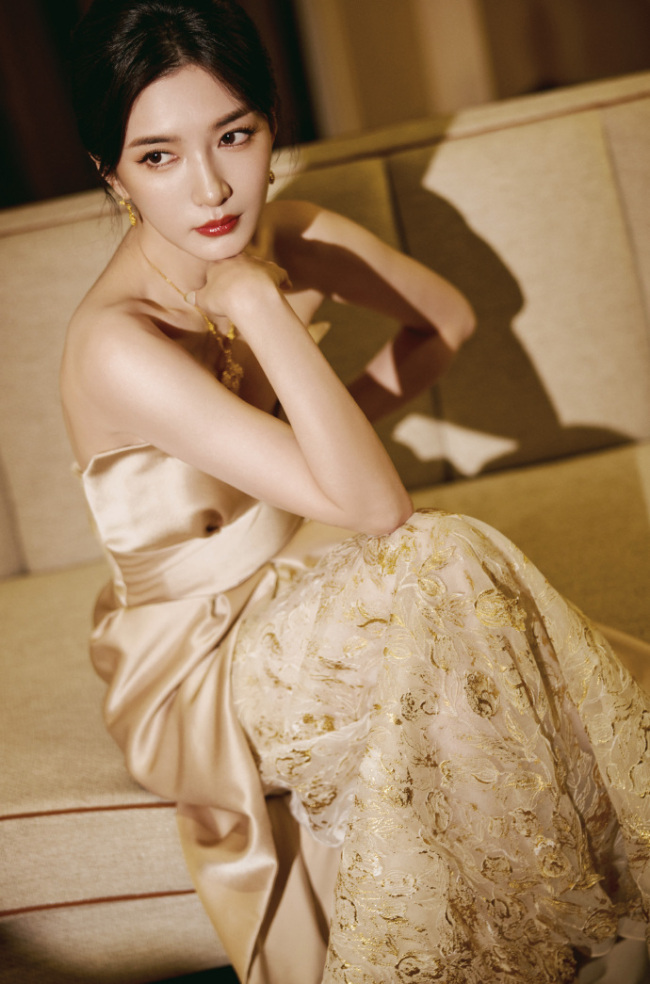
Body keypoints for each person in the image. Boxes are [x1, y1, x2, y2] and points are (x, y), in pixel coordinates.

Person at [61, 1, 649, 981]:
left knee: (454, 586)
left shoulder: (288, 230)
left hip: (296, 581)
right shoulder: (118, 343)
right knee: (441, 556)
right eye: (158, 156)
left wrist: (312, 445)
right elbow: (380, 511)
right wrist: (253, 299)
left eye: (234, 135)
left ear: (270, 126)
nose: (211, 187)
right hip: (193, 664)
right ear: (111, 173)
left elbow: (446, 323)